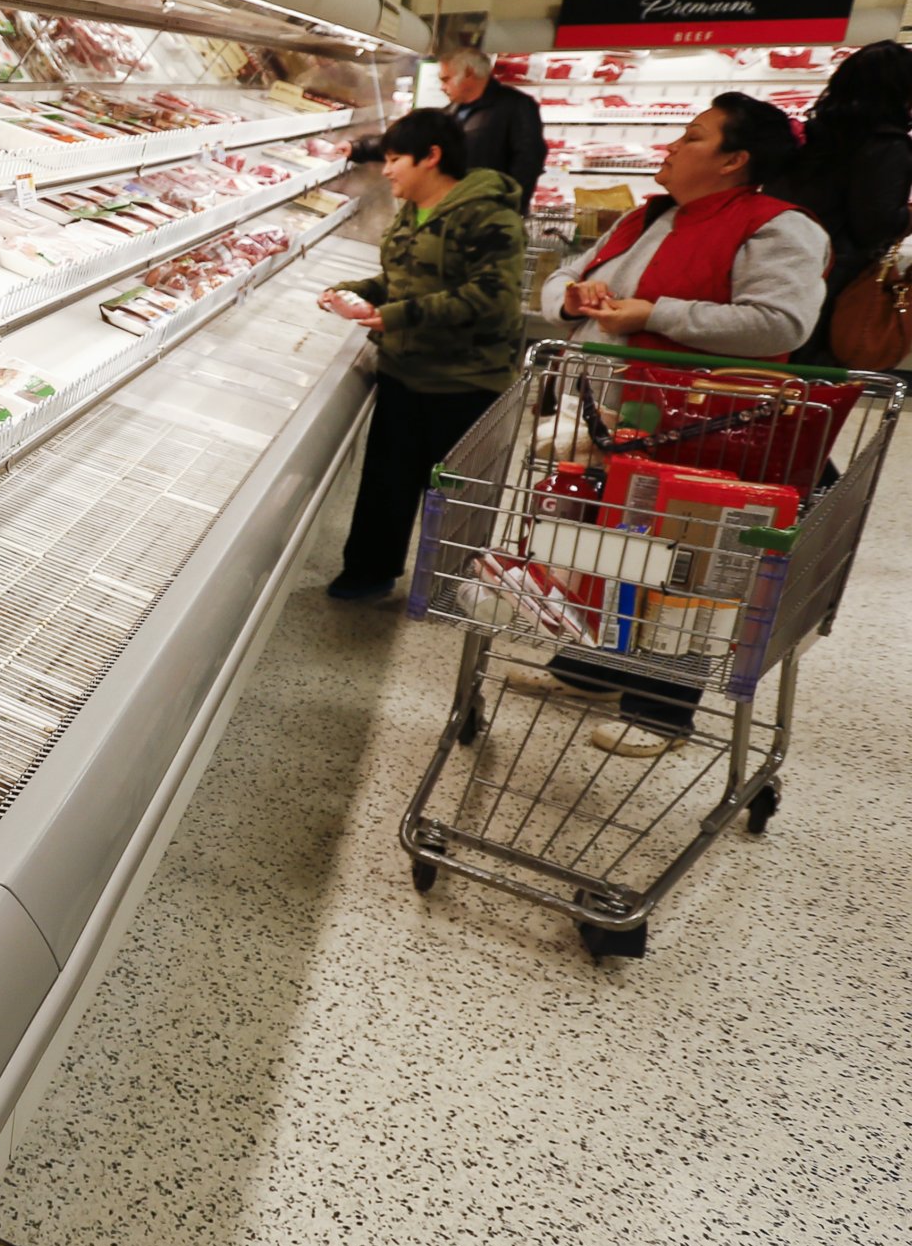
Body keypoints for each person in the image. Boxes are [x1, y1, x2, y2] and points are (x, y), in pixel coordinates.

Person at [522, 91, 829, 757]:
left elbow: (781, 323)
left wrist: (653, 313)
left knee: (685, 568)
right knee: (607, 544)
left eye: (691, 137)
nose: (671, 146)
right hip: (612, 420)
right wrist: (571, 298)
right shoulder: (646, 216)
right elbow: (566, 278)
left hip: (704, 431)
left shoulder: (778, 228)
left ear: (734, 160)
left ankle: (662, 709)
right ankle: (593, 665)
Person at [318, 108, 527, 602]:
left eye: (395, 159)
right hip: (404, 369)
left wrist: (398, 316)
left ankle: (453, 590)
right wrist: (351, 291)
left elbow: (491, 299)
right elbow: (399, 279)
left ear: (431, 157)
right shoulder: (413, 207)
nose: (385, 169)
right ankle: (368, 572)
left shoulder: (489, 213)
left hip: (466, 380)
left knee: (457, 496)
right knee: (385, 483)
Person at [765, 40, 912, 366]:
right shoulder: (887, 144)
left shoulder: (808, 134)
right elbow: (874, 225)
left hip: (779, 261)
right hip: (835, 278)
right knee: (811, 379)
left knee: (770, 367)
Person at [437, 47, 547, 209]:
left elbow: (529, 159)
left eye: (446, 79)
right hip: (453, 210)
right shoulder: (448, 113)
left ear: (468, 72)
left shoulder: (516, 106)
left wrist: (511, 207)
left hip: (493, 213)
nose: (442, 87)